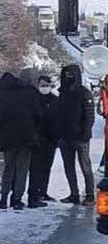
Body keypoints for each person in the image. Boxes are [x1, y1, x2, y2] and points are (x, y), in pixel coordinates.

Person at [54, 64, 96, 206]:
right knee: (69, 168)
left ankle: (90, 195)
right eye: (66, 74)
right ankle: (74, 194)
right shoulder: (62, 93)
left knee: (85, 167)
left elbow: (89, 115)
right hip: (64, 136)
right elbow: (58, 115)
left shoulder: (84, 93)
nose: (68, 77)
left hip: (80, 137)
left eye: (71, 74)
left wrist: (86, 132)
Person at [0, 70, 41, 211]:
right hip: (26, 138)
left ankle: (3, 198)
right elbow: (38, 114)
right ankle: (17, 199)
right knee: (22, 170)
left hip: (7, 139)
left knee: (8, 169)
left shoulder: (3, 94)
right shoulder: (29, 93)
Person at [27, 74, 58, 207]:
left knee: (47, 167)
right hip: (37, 139)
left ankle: (43, 192)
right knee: (36, 168)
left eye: (47, 85)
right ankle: (34, 194)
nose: (44, 88)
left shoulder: (55, 100)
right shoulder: (33, 99)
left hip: (51, 138)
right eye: (42, 85)